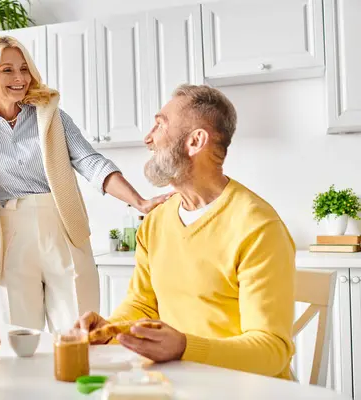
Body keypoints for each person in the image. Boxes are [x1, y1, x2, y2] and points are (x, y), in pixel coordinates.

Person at [76, 84, 296, 379]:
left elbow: (272, 351)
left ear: (195, 141)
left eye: (159, 125)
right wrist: (110, 329)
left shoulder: (257, 227)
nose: (148, 138)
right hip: (175, 382)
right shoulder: (156, 222)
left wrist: (184, 347)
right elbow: (142, 303)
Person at [0, 36, 168, 333]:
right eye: (7, 70)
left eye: (23, 68)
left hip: (63, 225)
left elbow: (90, 162)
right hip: (9, 234)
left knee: (79, 331)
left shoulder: (51, 116)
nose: (19, 78)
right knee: (17, 338)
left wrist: (140, 202)